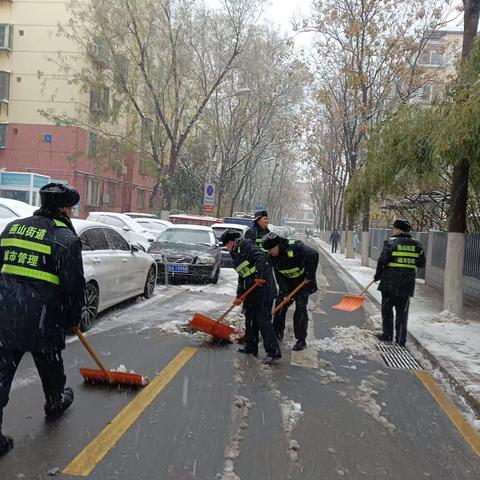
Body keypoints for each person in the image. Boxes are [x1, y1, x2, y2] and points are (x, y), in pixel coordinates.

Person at [0, 183, 86, 455]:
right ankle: (55, 400)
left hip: (4, 313)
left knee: (1, 372)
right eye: (70, 208)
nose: (71, 213)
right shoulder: (65, 239)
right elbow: (73, 286)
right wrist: (74, 319)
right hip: (42, 315)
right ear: (63, 208)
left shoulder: (13, 228)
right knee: (50, 361)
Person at [220, 229, 281, 364]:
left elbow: (261, 256)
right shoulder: (236, 253)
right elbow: (242, 275)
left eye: (226, 245)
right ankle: (250, 346)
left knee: (263, 321)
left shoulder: (245, 245)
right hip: (251, 292)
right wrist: (239, 296)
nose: (227, 248)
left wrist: (259, 277)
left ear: (231, 242)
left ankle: (273, 352)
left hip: (264, 288)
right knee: (250, 318)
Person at [262, 233, 319, 351]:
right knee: (280, 304)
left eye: (272, 249)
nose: (271, 252)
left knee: (300, 308)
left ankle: (301, 340)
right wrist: (285, 292)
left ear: (278, 245)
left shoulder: (295, 247)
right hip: (288, 283)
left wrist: (310, 273)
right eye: (268, 250)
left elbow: (314, 254)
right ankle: (277, 334)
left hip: (302, 282)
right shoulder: (271, 256)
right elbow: (278, 274)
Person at [374, 219, 426, 347]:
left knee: (387, 310)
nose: (393, 230)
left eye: (394, 228)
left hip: (389, 283)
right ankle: (400, 340)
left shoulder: (390, 242)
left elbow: (383, 261)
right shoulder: (417, 245)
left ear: (398, 230)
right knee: (402, 313)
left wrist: (377, 275)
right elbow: (421, 263)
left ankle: (387, 335)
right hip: (406, 285)